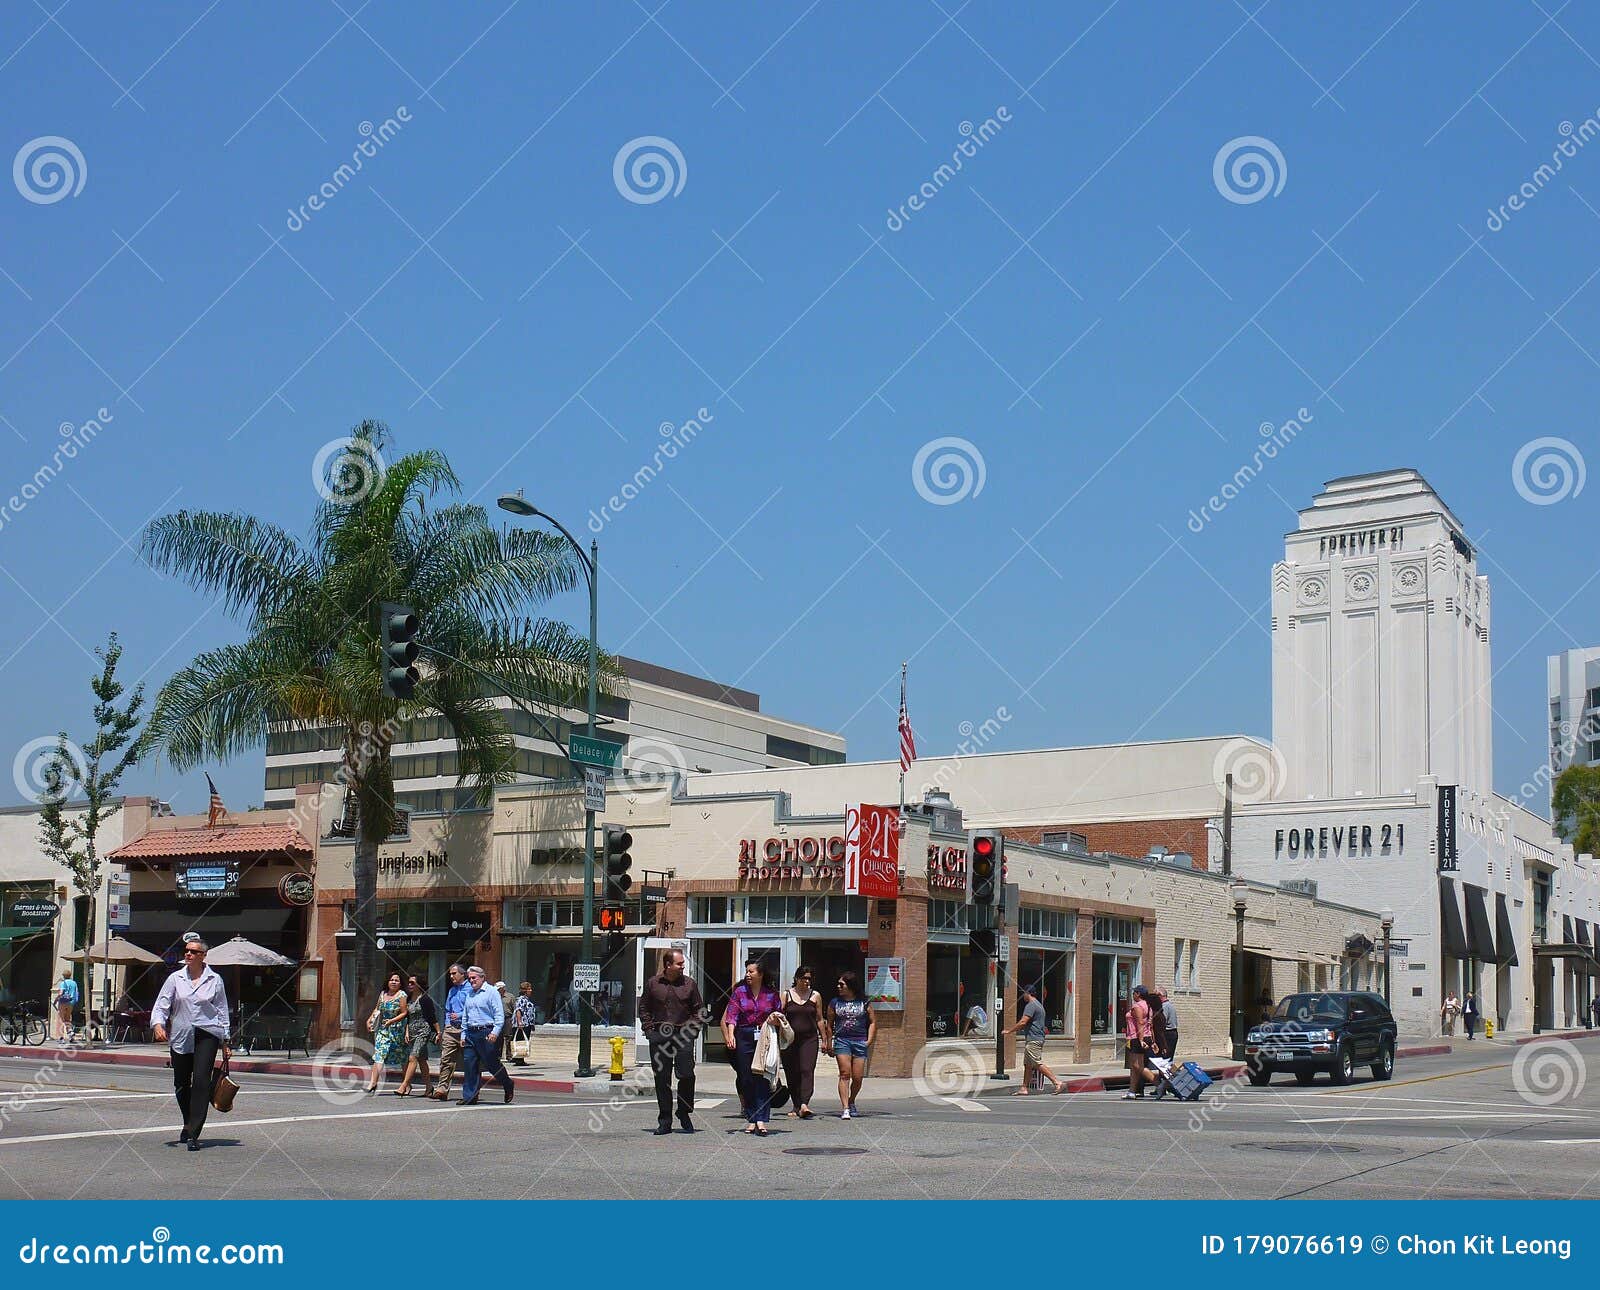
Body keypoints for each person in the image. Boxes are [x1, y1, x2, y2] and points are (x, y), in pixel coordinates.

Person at [150, 937, 231, 1152]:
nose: (188, 954)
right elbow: (162, 1004)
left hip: (207, 1034)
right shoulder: (175, 978)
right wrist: (158, 1024)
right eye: (186, 950)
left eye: (194, 952)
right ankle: (187, 1121)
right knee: (181, 1083)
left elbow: (222, 1010)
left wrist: (226, 1040)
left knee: (202, 1082)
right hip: (181, 1034)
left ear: (203, 956)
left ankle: (194, 1132)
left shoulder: (215, 979)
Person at [639, 948, 706, 1135]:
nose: (683, 966)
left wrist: (692, 1031)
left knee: (686, 1075)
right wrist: (649, 1030)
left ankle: (683, 1112)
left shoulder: (689, 984)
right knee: (662, 1078)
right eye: (679, 963)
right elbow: (643, 1008)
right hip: (659, 1035)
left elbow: (699, 1011)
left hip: (683, 1035)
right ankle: (665, 1120)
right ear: (668, 965)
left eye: (683, 963)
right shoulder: (653, 983)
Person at [722, 958, 782, 1135]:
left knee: (762, 1078)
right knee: (746, 1078)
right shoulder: (739, 992)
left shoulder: (771, 994)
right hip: (744, 1035)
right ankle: (751, 1118)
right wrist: (730, 1035)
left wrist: (774, 1019)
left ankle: (761, 1119)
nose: (748, 974)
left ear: (760, 974)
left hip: (764, 1036)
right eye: (747, 971)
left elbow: (779, 1014)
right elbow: (731, 1015)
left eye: (751, 971)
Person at [458, 965, 513, 1104]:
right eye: (469, 978)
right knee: (469, 1064)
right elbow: (465, 1015)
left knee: (491, 1064)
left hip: (486, 1032)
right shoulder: (470, 993)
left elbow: (499, 1014)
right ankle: (469, 1097)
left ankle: (507, 1083)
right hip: (471, 1032)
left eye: (474, 978)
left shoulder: (492, 992)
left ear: (482, 978)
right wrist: (463, 1034)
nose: (471, 981)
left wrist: (495, 1032)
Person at [824, 969, 876, 1119]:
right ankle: (845, 1107)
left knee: (858, 1077)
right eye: (838, 984)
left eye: (842, 984)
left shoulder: (864, 1002)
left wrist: (869, 1040)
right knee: (845, 1073)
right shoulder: (835, 1003)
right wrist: (829, 1042)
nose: (838, 987)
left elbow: (872, 1022)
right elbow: (829, 1024)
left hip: (860, 1040)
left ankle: (852, 1100)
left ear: (850, 985)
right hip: (842, 1041)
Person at [1004, 983, 1064, 1095]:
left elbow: (1023, 1022)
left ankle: (1057, 1082)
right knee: (1028, 1064)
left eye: (1024, 994)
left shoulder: (1031, 1005)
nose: (1023, 996)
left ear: (1028, 993)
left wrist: (1009, 1031)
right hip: (1035, 1038)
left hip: (1034, 1039)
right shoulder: (1038, 1005)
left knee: (1036, 1063)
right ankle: (1024, 1088)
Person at [780, 966, 824, 1120]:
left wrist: (825, 1039)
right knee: (792, 1072)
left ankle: (804, 1104)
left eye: (809, 978)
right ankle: (796, 1104)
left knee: (807, 1070)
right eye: (804, 978)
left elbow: (819, 1019)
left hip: (809, 1039)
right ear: (797, 978)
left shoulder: (815, 995)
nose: (807, 981)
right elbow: (780, 1016)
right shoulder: (786, 995)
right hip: (790, 1040)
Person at [395, 974, 439, 1097]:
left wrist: (438, 1032)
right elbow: (407, 1017)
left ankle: (404, 1085)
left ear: (419, 985)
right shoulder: (408, 998)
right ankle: (429, 1087)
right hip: (412, 1032)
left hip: (423, 1032)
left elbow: (432, 1017)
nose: (410, 985)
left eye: (413, 983)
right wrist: (407, 1032)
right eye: (409, 983)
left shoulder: (425, 999)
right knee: (422, 1060)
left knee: (412, 1057)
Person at [430, 964, 469, 1100]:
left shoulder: (471, 989)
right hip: (451, 1029)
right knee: (446, 1059)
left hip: (466, 1029)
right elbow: (447, 1009)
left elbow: (473, 1009)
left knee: (469, 1061)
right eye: (450, 974)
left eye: (454, 973)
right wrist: (447, 1023)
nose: (451, 976)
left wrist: (459, 1015)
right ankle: (442, 1089)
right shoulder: (452, 990)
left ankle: (470, 1092)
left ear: (463, 974)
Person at [365, 972, 408, 1094]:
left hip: (397, 1030)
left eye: (396, 980)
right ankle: (373, 1083)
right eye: (391, 980)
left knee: (402, 1057)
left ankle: (406, 1084)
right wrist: (369, 1020)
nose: (393, 982)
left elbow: (404, 1012)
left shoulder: (402, 995)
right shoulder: (383, 994)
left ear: (400, 983)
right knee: (379, 1054)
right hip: (383, 1029)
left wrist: (392, 1021)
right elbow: (377, 1009)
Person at [1121, 985, 1154, 1100]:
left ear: (1138, 994)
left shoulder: (1137, 1006)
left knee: (1137, 1065)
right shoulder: (1147, 1005)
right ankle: (1132, 1091)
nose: (1133, 994)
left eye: (1134, 992)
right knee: (1134, 1066)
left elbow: (1140, 1023)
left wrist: (1140, 1040)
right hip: (1144, 1036)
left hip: (1137, 1038)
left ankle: (1159, 1084)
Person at [508, 982, 538, 1065]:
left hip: (527, 1024)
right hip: (522, 1024)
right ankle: (518, 1059)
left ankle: (520, 1058)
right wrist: (519, 1022)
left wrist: (532, 1024)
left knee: (523, 1040)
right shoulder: (521, 999)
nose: (531, 991)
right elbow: (518, 1010)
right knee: (520, 1041)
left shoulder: (527, 999)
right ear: (524, 990)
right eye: (529, 989)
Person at [53, 969, 79, 1042]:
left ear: (63, 976)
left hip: (63, 1002)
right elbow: (76, 992)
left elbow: (61, 993)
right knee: (67, 1018)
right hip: (71, 1002)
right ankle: (70, 1032)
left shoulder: (63, 983)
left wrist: (56, 1000)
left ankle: (61, 1037)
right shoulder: (74, 983)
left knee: (61, 1019)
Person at [1158, 989, 1180, 1062]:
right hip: (1173, 1033)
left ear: (1160, 996)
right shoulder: (1170, 1005)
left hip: (1167, 1033)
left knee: (1165, 1058)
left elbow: (1162, 1021)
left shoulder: (1164, 1006)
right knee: (1169, 1058)